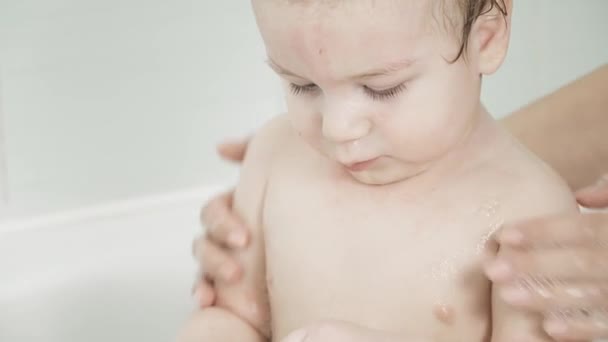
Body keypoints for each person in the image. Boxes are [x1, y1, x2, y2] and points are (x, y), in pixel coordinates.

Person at [178, 0, 605, 340]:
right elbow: (235, 318)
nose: (337, 127)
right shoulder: (274, 155)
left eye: (381, 88)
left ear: (486, 39)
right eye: (301, 85)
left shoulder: (528, 211)